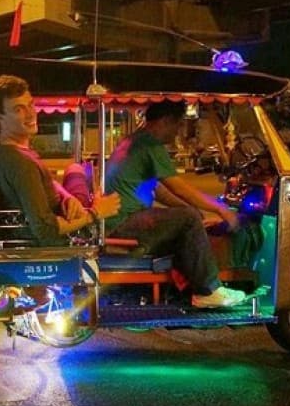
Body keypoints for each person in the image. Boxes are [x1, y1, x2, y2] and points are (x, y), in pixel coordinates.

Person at [105, 100, 246, 308]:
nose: (178, 131)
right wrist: (220, 209)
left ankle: (188, 286)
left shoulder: (135, 141)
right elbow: (177, 186)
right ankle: (207, 290)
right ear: (165, 121)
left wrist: (195, 211)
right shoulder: (150, 144)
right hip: (124, 222)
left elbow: (160, 191)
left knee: (188, 217)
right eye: (178, 125)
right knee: (188, 218)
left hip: (121, 219)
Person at [0, 74, 120, 246]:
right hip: (55, 243)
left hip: (62, 210)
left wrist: (66, 198)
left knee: (75, 168)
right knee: (88, 181)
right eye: (19, 109)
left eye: (30, 104)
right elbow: (45, 230)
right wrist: (95, 213)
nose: (30, 114)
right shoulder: (21, 164)